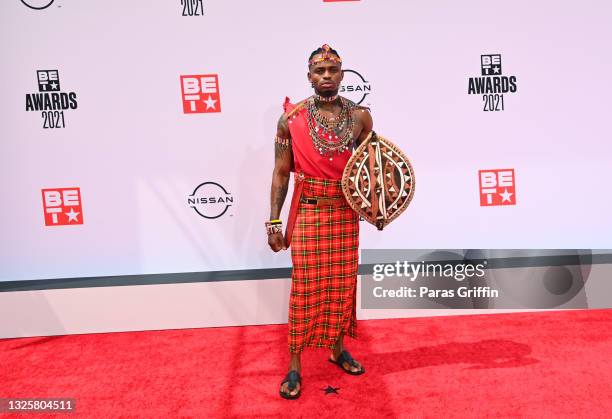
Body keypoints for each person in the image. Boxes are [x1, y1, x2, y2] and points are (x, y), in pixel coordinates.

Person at [266, 44, 373, 399]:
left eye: (333, 70)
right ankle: (295, 366)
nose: (326, 76)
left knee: (343, 284)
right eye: (319, 71)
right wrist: (273, 222)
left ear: (342, 75)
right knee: (305, 289)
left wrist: (377, 208)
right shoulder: (292, 118)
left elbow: (372, 169)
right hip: (310, 210)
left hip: (345, 211)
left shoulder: (360, 117)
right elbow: (281, 173)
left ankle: (337, 349)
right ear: (309, 76)